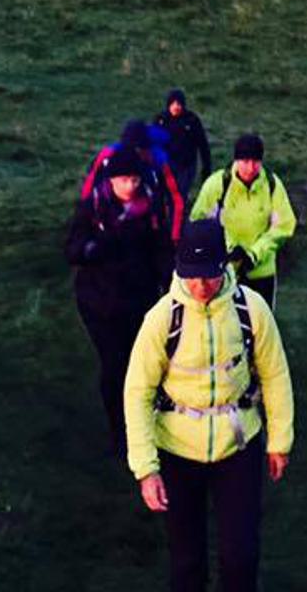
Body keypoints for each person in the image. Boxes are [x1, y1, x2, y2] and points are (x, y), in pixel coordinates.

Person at [124, 220, 294, 592]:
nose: (201, 286)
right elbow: (137, 392)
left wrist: (279, 439)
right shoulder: (161, 319)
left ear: (224, 266)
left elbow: (275, 374)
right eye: (192, 276)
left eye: (209, 276)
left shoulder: (251, 310)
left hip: (238, 447)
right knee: (186, 562)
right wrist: (146, 469)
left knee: (241, 557)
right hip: (177, 453)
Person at [65, 148, 174, 460]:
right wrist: (96, 247)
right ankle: (120, 434)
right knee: (114, 367)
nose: (131, 186)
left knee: (144, 365)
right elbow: (71, 251)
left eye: (136, 179)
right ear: (111, 180)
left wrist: (169, 281)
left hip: (140, 300)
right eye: (125, 179)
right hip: (99, 303)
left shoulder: (151, 209)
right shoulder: (93, 209)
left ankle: (148, 426)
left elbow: (162, 249)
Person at [190, 134, 295, 307]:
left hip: (262, 272)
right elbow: (199, 222)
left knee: (261, 327)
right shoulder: (218, 184)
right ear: (236, 160)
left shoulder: (272, 185)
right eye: (245, 161)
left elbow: (284, 226)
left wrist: (254, 254)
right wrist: (229, 248)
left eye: (256, 162)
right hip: (223, 271)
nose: (250, 167)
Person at [154, 89, 213, 213]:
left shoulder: (192, 121)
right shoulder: (161, 120)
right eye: (173, 104)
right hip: (166, 166)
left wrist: (206, 167)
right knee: (166, 196)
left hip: (186, 165)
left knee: (180, 195)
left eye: (179, 104)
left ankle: (179, 221)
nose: (176, 107)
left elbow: (202, 144)